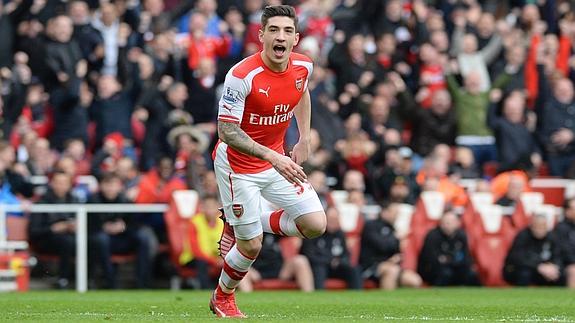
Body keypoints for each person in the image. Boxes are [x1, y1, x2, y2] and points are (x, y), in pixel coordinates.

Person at [210, 5, 326, 318]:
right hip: (238, 165)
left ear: (296, 38)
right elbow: (226, 131)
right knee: (251, 247)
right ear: (261, 35)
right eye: (273, 29)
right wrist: (274, 156)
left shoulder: (304, 66)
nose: (280, 36)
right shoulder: (241, 75)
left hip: (275, 161)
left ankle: (238, 222)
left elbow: (300, 93)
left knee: (315, 225)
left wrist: (304, 136)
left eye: (287, 31)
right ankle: (223, 297)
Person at [300, 206, 362, 290]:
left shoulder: (340, 234)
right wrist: (329, 261)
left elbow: (346, 254)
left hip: (336, 266)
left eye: (335, 219)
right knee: (319, 269)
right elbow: (308, 255)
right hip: (318, 266)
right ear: (324, 219)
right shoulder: (313, 232)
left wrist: (338, 261)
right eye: (331, 219)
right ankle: (319, 296)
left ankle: (357, 295)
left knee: (354, 269)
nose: (333, 221)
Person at [417, 210, 480, 286]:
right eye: (445, 221)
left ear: (458, 223)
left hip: (455, 267)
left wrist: (451, 261)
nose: (448, 224)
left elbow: (466, 257)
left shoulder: (461, 236)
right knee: (445, 274)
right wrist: (451, 260)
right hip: (436, 270)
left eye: (451, 221)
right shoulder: (433, 236)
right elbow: (432, 260)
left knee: (471, 274)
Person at [504, 214, 564, 286]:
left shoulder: (551, 237)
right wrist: (539, 266)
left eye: (542, 226)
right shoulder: (523, 236)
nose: (540, 229)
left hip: (545, 270)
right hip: (520, 269)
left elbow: (558, 255)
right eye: (537, 226)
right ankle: (521, 295)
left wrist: (554, 266)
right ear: (531, 226)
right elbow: (518, 258)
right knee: (525, 273)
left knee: (560, 275)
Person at [554, 198, 575, 288]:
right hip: (564, 264)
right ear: (567, 211)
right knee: (573, 270)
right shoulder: (561, 228)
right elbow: (565, 251)